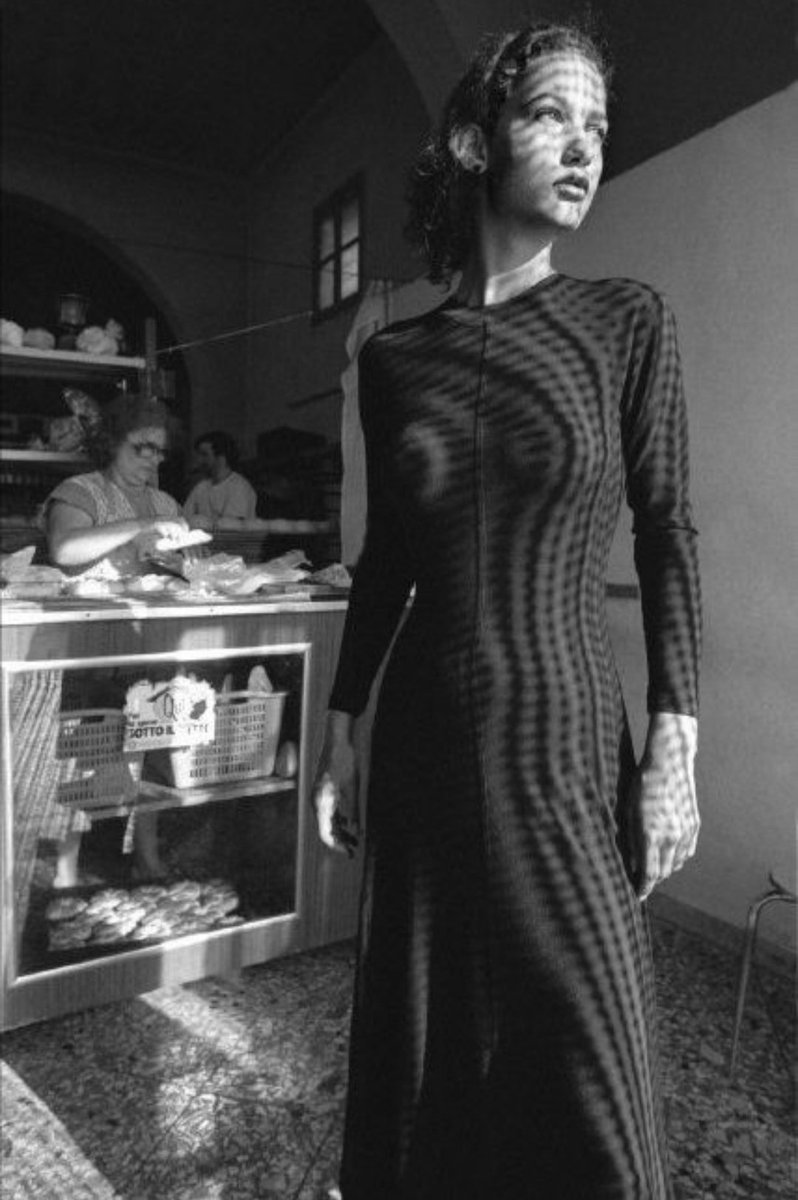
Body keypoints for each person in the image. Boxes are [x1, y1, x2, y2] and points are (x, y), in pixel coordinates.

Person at [312, 20, 701, 1200]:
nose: (585, 147)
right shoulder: (394, 360)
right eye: (553, 117)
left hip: (566, 738)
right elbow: (387, 562)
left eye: (598, 126)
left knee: (592, 1059)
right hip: (428, 733)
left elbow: (667, 527)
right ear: (478, 139)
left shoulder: (626, 322)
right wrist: (340, 726)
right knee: (428, 1049)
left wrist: (677, 738)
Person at [45, 393, 188, 885]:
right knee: (88, 749)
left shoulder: (167, 502)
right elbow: (66, 547)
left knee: (150, 744)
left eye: (160, 451)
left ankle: (145, 852)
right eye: (141, 447)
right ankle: (66, 869)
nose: (152, 458)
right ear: (112, 444)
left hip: (150, 640)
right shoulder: (79, 490)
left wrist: (177, 561)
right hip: (91, 645)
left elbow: (180, 567)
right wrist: (142, 527)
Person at [183, 430, 257, 528]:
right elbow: (184, 519)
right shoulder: (200, 487)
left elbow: (229, 531)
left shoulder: (239, 487)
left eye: (204, 455)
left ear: (221, 457)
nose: (199, 460)